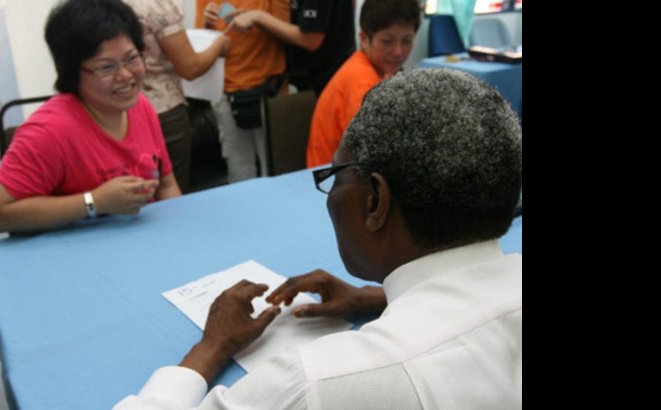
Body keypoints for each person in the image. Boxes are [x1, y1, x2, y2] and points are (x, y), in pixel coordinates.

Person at [114, 68, 523, 409]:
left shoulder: (315, 386)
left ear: (375, 201)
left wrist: (210, 349)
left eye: (334, 175)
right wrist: (380, 297)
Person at [0, 0, 181, 234]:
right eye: (106, 67)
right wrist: (94, 202)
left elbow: (167, 186)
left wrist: (178, 235)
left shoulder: (142, 107)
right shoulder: (49, 131)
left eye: (131, 58)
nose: (126, 75)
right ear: (72, 71)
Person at [122, 0, 231, 193]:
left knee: (136, 190)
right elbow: (190, 67)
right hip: (164, 110)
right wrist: (219, 45)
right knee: (171, 187)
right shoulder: (157, 6)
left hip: (119, 111)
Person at [306, 0, 420, 168]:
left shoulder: (380, 69)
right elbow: (372, 157)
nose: (398, 51)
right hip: (336, 181)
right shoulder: (362, 86)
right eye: (387, 41)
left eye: (406, 41)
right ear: (364, 38)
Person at [196, 0, 289, 183]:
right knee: (239, 172)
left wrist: (260, 20)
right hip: (226, 92)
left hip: (270, 92)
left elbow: (289, 37)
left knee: (276, 173)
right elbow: (201, 45)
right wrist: (207, 24)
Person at [225, 0, 355, 96]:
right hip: (305, 80)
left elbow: (311, 40)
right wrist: (257, 19)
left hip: (329, 81)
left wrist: (260, 17)